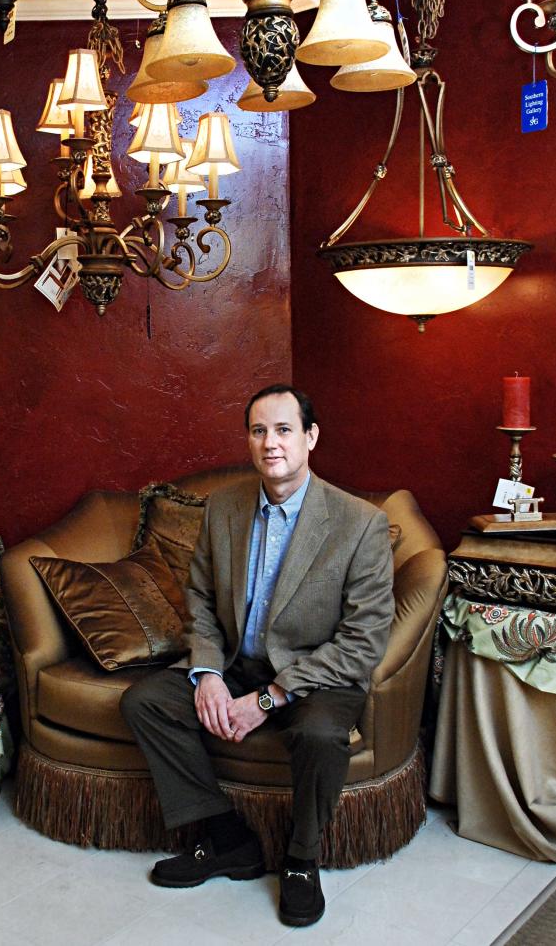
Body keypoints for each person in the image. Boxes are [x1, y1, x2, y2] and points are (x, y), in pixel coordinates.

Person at [120, 383, 395, 927]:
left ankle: (301, 858)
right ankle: (227, 837)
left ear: (311, 437)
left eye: (284, 429)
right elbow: (199, 596)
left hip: (316, 676)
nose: (271, 443)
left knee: (319, 736)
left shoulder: (359, 522)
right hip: (236, 662)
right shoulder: (223, 508)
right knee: (145, 702)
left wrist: (268, 699)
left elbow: (363, 641)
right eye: (259, 430)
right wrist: (207, 675)